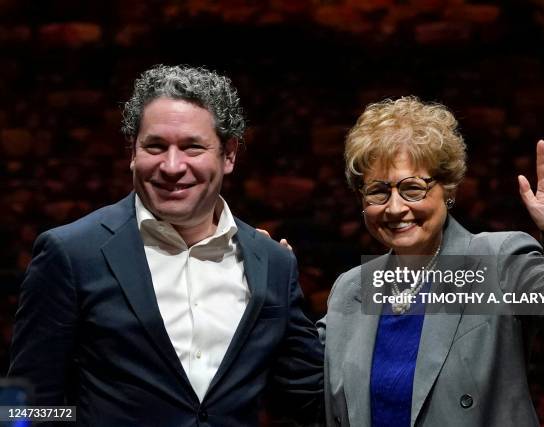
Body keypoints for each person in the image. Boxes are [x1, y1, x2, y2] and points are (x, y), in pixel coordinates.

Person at [8, 65, 323, 426]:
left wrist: (381, 290)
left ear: (229, 154)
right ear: (132, 152)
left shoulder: (272, 263)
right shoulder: (71, 253)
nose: (172, 166)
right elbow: (26, 405)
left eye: (192, 147)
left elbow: (311, 395)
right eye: (155, 146)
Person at [318, 96, 544, 426]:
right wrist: (273, 278)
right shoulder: (351, 288)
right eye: (378, 192)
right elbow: (304, 381)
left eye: (413, 189)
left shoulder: (495, 260)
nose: (395, 207)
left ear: (448, 189)